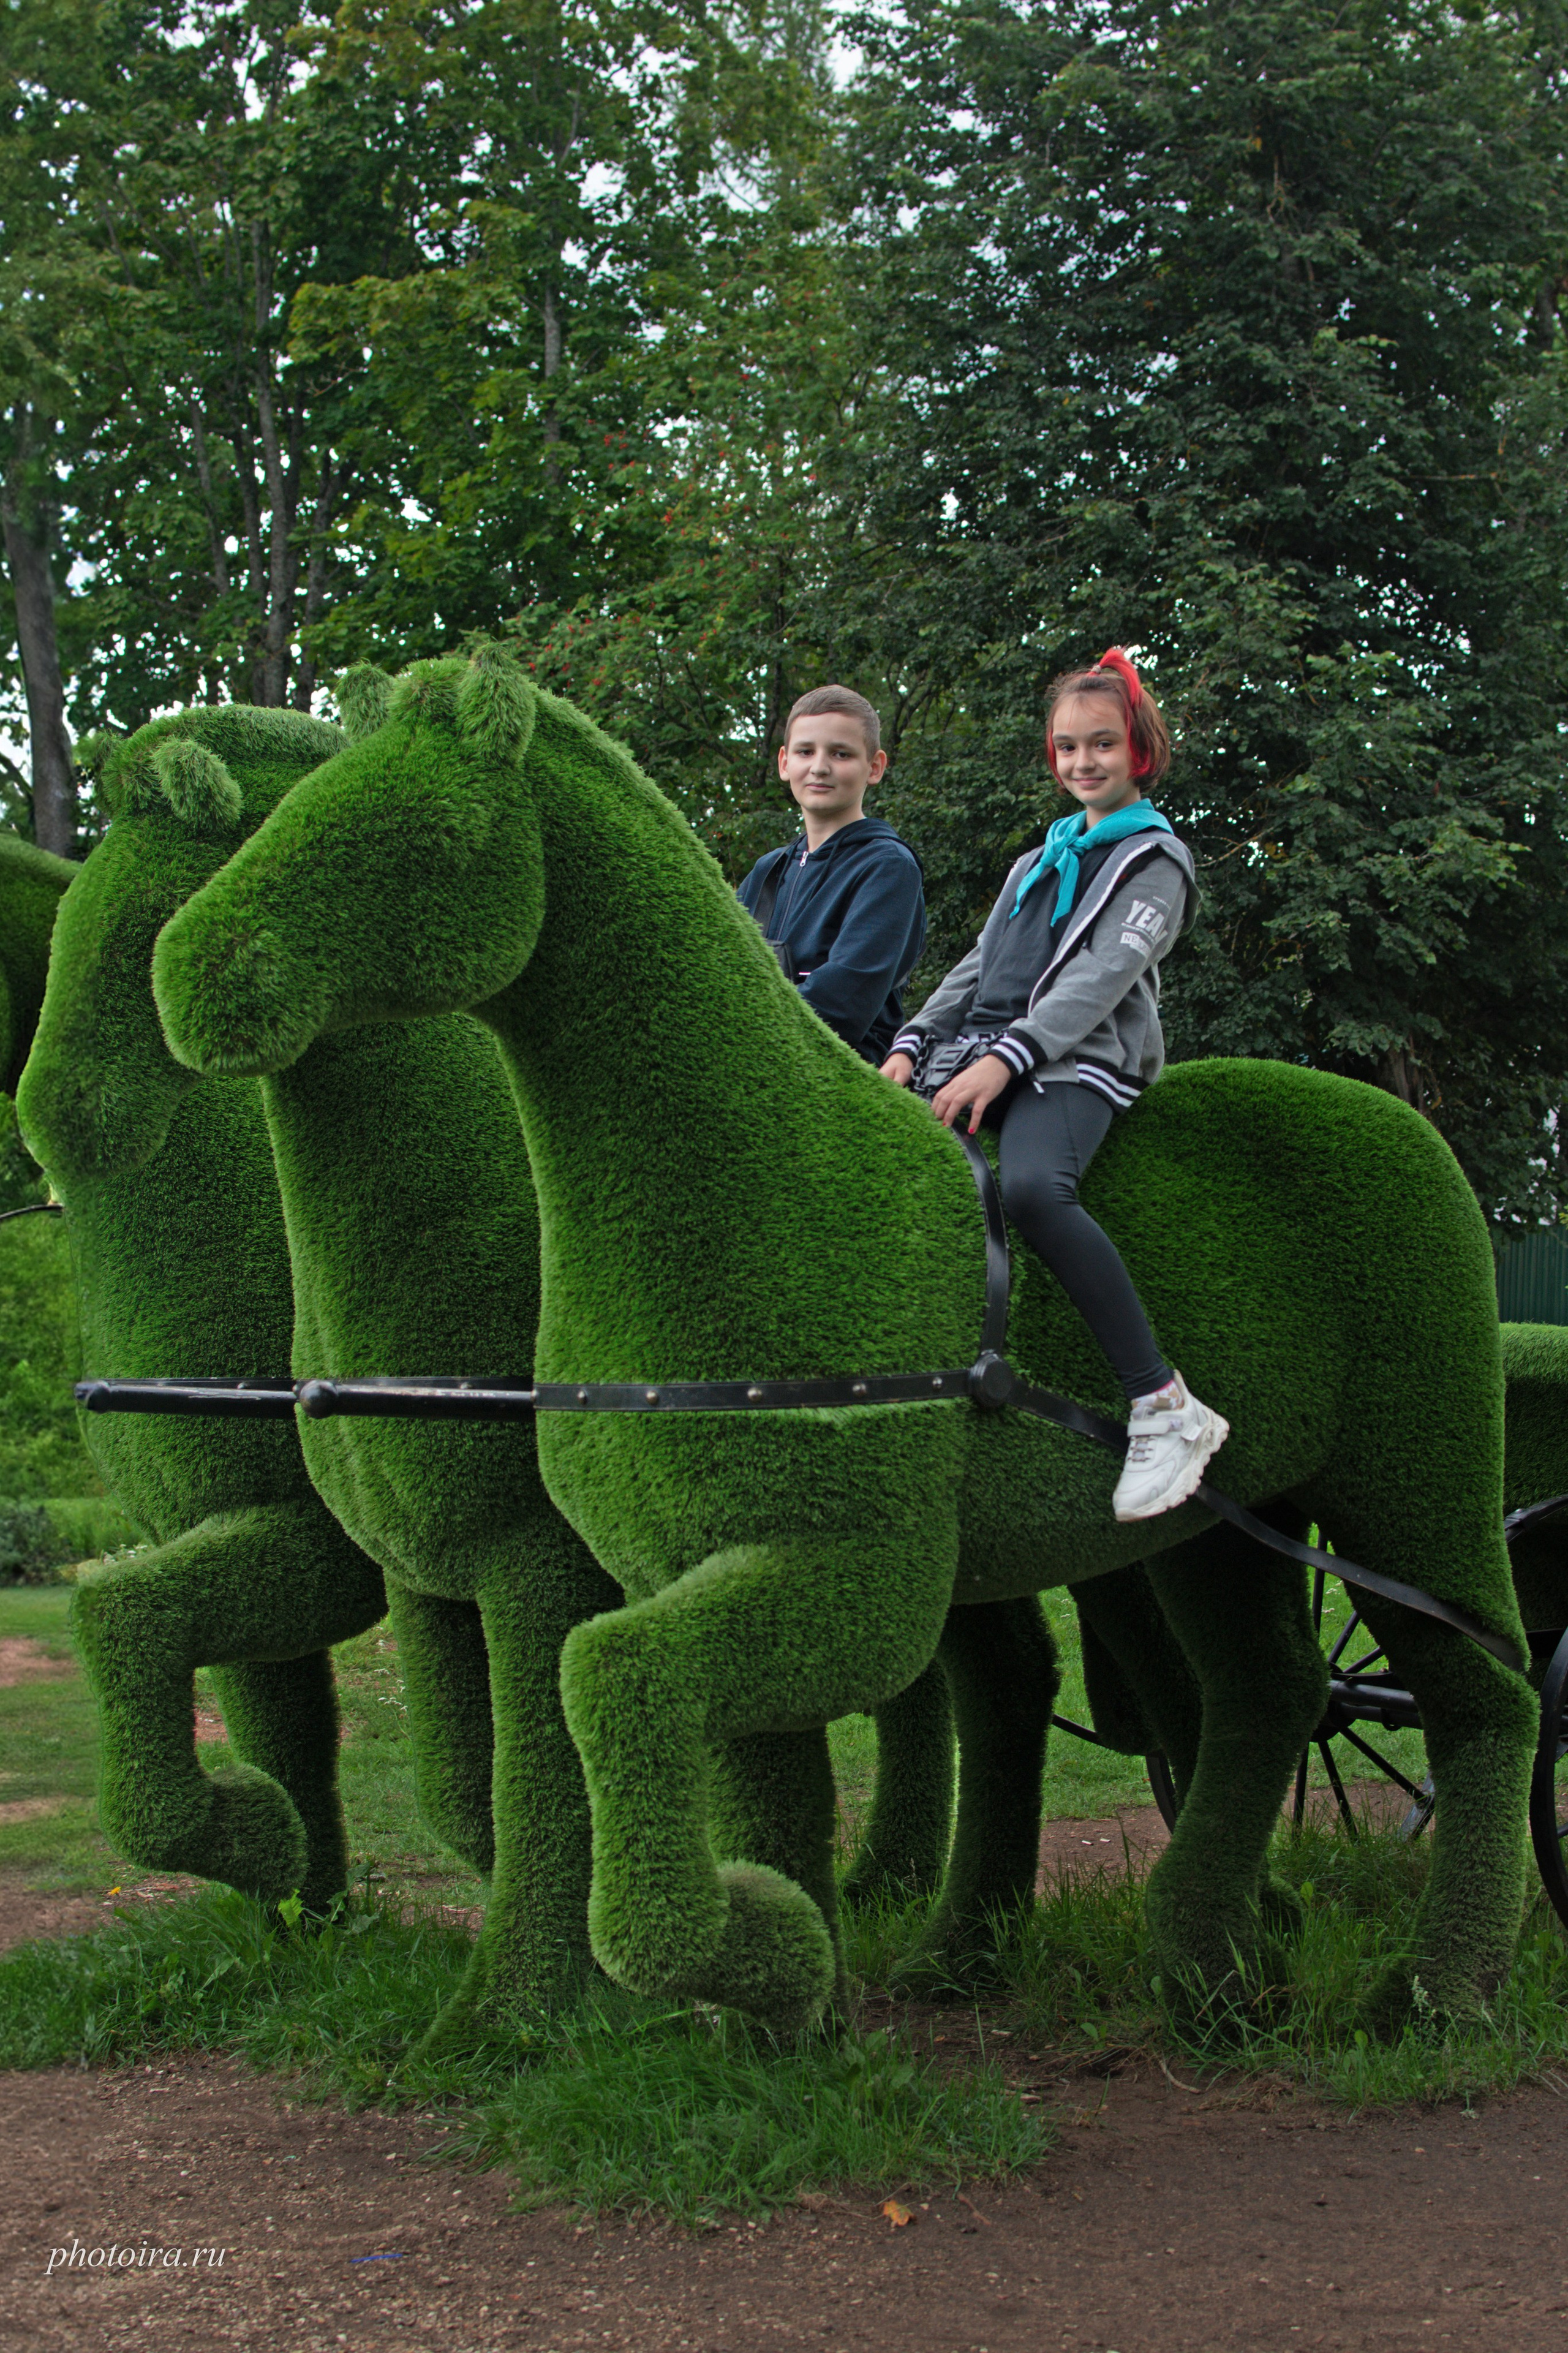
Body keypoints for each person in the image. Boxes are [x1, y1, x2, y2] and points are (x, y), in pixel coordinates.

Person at [880, 647, 1228, 1522]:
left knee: (1035, 1188)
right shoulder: (1038, 859)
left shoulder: (1157, 859)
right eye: (1068, 748)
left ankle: (1161, 1402)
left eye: (1102, 745)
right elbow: (979, 965)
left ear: (1138, 751)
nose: (1083, 762)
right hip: (991, 1046)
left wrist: (1011, 1058)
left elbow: (1103, 977)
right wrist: (914, 1041)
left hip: (1076, 1059)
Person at [737, 687, 925, 1066]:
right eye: (806, 751)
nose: (820, 766)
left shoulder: (888, 868)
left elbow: (842, 1005)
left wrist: (739, 1031)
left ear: (874, 767)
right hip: (749, 1051)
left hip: (844, 1070)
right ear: (784, 762)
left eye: (841, 753)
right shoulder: (767, 871)